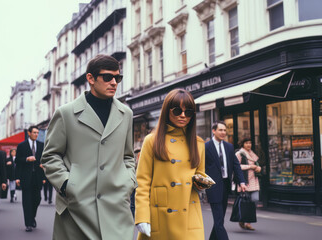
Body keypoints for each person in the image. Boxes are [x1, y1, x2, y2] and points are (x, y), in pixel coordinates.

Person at [41, 54, 136, 240]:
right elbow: (50, 156)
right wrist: (68, 184)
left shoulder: (126, 114)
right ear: (90, 78)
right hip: (77, 208)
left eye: (118, 78)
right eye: (108, 77)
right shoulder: (66, 113)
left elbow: (128, 156)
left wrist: (128, 182)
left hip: (115, 205)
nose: (114, 82)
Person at [135, 88, 207, 240]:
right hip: (160, 214)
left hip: (189, 214)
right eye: (177, 111)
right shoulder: (152, 140)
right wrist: (142, 216)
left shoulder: (198, 143)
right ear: (167, 111)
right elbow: (142, 183)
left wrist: (202, 182)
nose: (182, 115)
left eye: (188, 112)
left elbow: (200, 173)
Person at [205, 121, 246, 240]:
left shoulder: (229, 146)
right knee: (218, 220)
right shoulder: (206, 147)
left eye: (224, 130)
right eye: (220, 130)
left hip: (225, 186)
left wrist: (242, 182)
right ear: (214, 131)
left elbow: (236, 165)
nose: (223, 133)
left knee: (219, 220)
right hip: (212, 188)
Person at [15, 126, 46, 232]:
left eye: (37, 133)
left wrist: (43, 166)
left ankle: (32, 217)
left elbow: (44, 159)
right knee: (27, 201)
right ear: (29, 133)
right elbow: (17, 161)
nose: (36, 134)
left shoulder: (42, 145)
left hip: (37, 177)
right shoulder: (21, 145)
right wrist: (27, 159)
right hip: (26, 177)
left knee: (37, 199)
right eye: (34, 132)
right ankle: (28, 223)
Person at [235, 137, 261, 231]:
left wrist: (258, 168)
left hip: (254, 180)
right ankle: (243, 220)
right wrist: (250, 166)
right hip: (245, 181)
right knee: (246, 202)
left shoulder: (252, 154)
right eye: (246, 143)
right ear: (242, 144)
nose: (249, 145)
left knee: (255, 200)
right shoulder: (239, 153)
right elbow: (236, 166)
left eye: (250, 143)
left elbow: (257, 164)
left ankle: (248, 221)